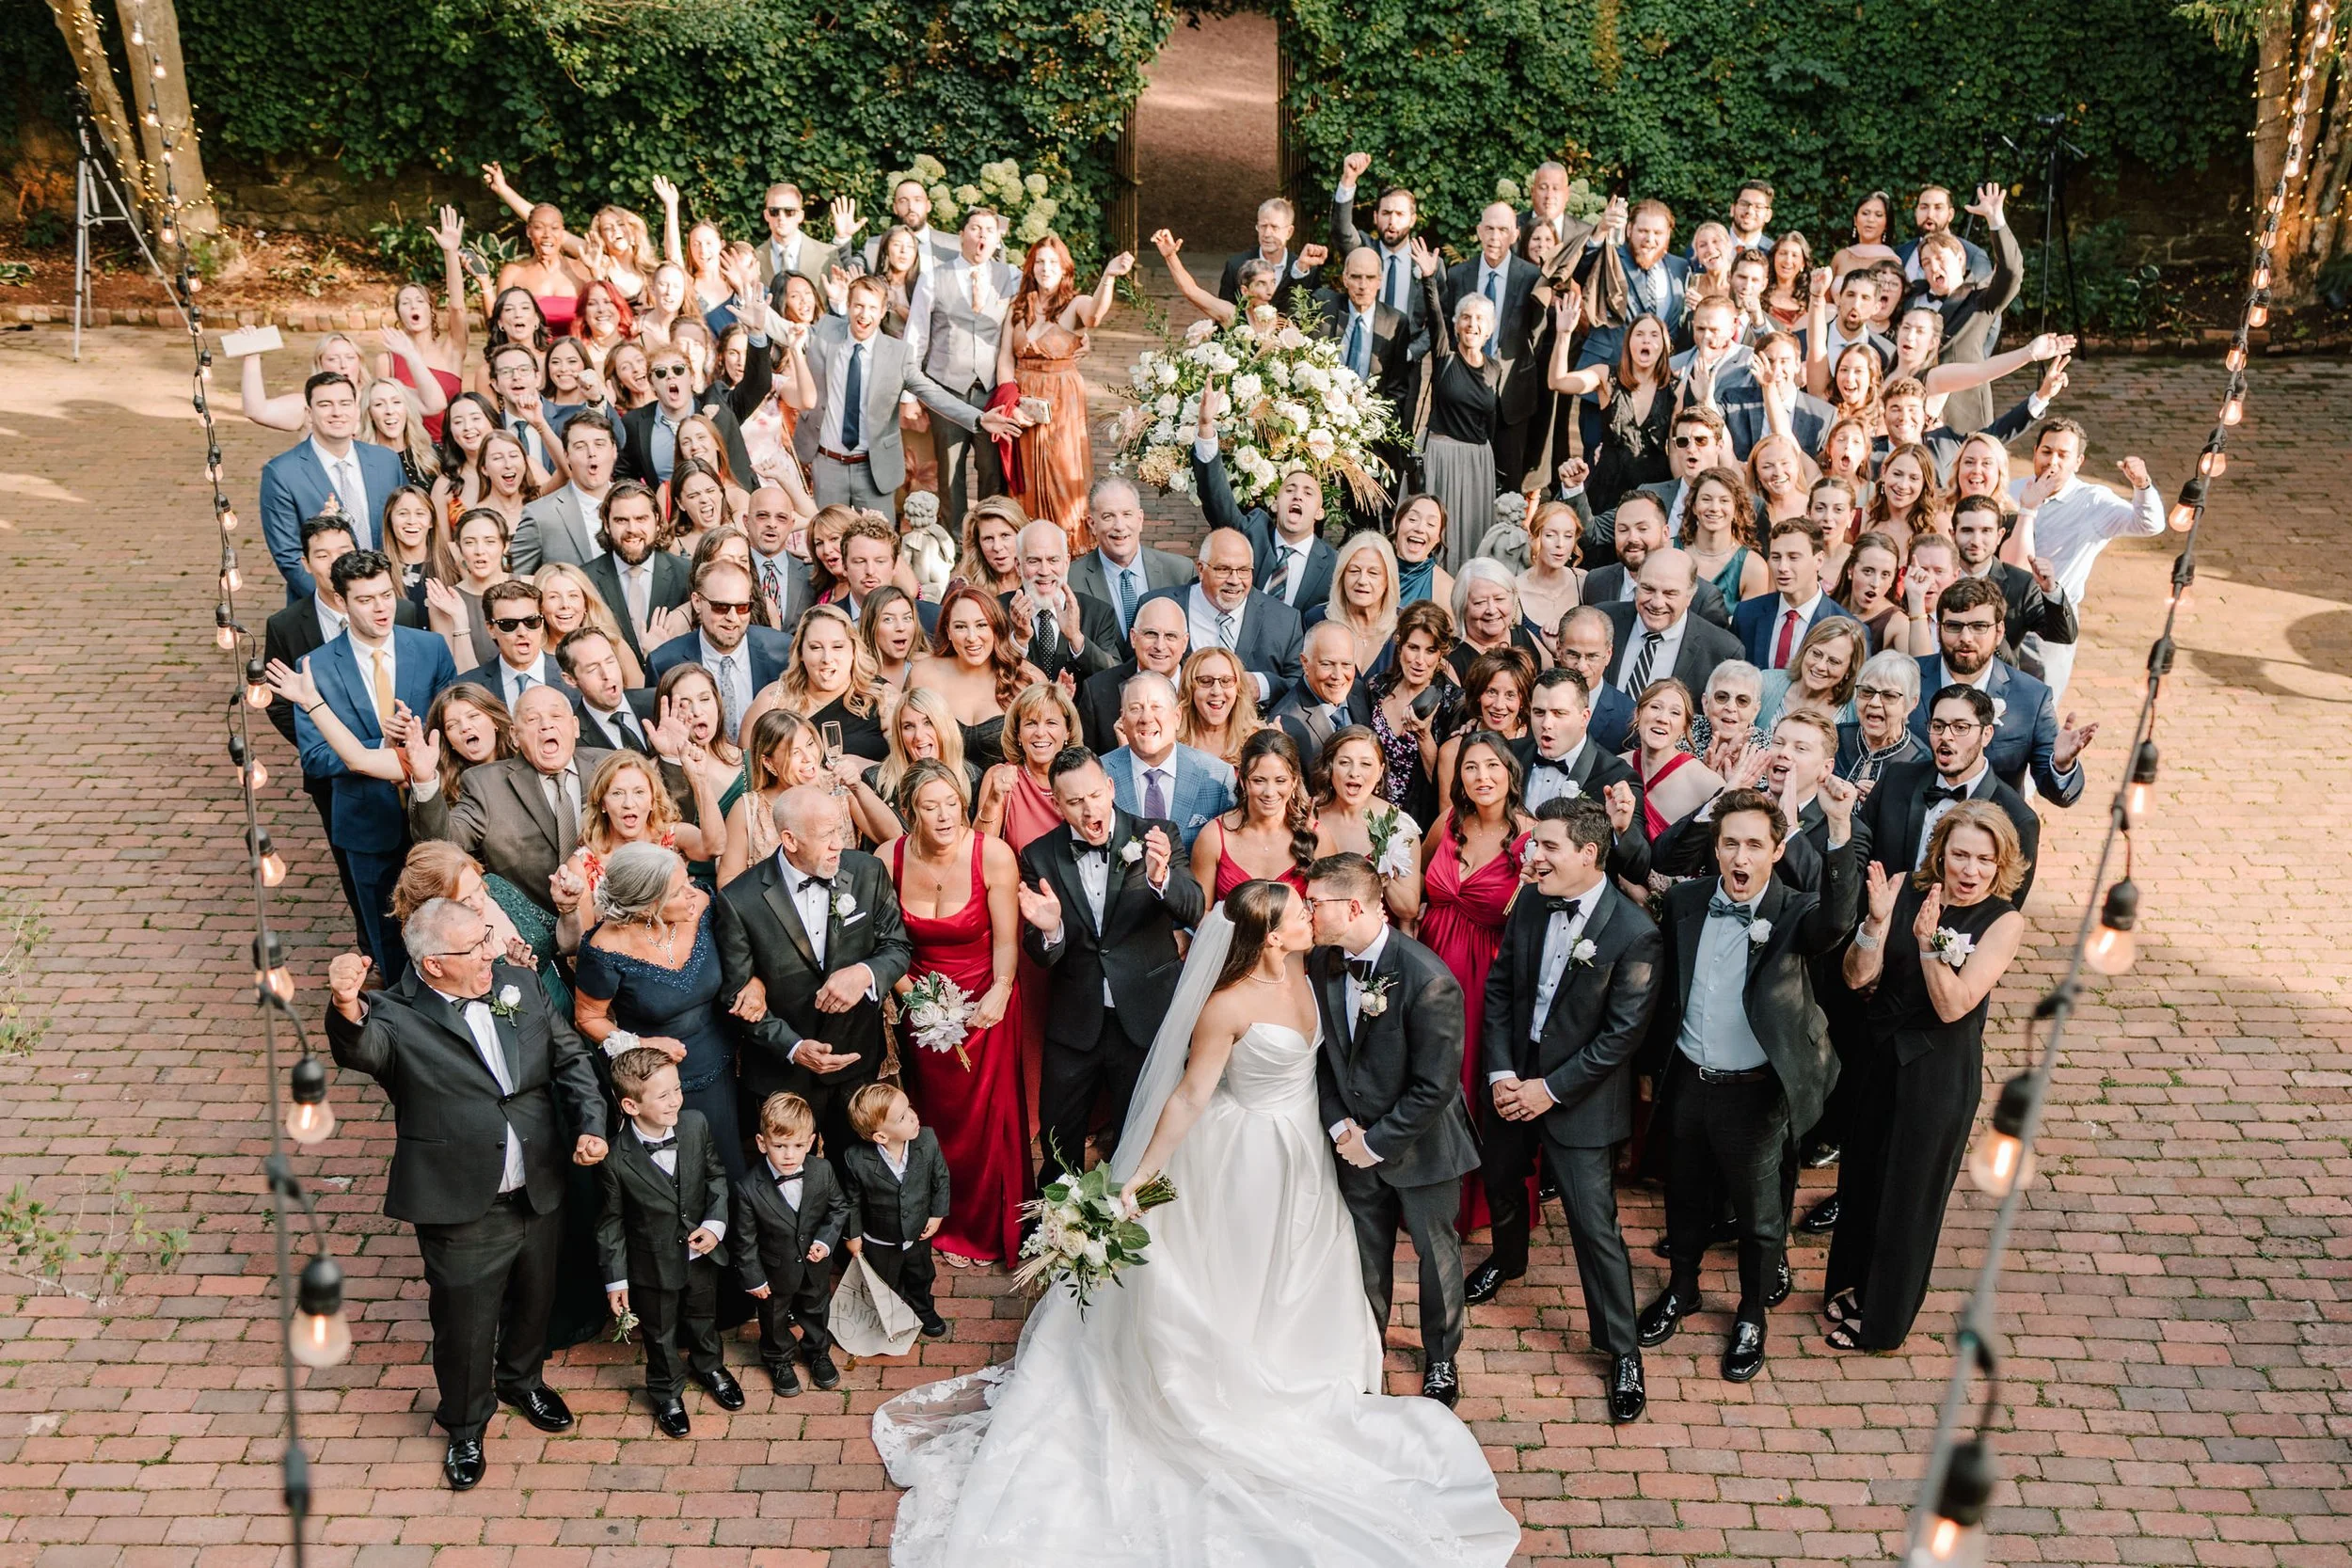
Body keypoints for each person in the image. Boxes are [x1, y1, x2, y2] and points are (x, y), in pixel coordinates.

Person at [873, 880, 1518, 1568]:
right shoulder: (1225, 1005)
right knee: (1235, 1269)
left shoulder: (1315, 968)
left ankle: (1298, 1361)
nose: (1311, 915)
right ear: (1270, 935)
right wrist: (1143, 1172)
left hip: (1307, 1147)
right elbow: (1186, 1096)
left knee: (1303, 1261)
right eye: (1301, 912)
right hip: (1242, 1154)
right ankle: (1233, 1380)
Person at [322, 900, 608, 1491]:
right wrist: (346, 1005)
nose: (489, 953)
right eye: (474, 948)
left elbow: (570, 1057)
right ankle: (465, 1425)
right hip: (459, 1201)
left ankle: (523, 1379)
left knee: (537, 1298)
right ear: (431, 966)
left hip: (540, 1177)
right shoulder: (396, 1017)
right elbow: (361, 1047)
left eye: (485, 939)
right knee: (465, 1323)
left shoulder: (518, 981)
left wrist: (590, 1124)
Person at [1634, 782, 1858, 1384]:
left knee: (1761, 1219)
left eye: (1754, 845)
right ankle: (1682, 1290)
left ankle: (1753, 1314)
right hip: (1689, 1078)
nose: (1740, 858)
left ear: (1777, 850)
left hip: (1756, 1092)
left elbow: (1837, 921)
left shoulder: (1794, 912)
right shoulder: (1688, 903)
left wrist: (1839, 831)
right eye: (1730, 843)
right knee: (1682, 1197)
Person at [1467, 797, 1661, 1425]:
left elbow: (1620, 1037)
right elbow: (1501, 987)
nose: (1533, 855)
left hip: (1579, 1097)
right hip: (1512, 1077)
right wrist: (1502, 1072)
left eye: (1547, 846)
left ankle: (1622, 1349)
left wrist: (1547, 1090)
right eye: (1534, 843)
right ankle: (1508, 1256)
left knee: (1592, 1224)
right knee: (1501, 1176)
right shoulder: (1531, 900)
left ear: (1588, 853)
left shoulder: (1635, 933)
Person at [1825, 803, 2026, 1351]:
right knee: (1865, 1178)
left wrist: (1929, 943)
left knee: (1909, 1198)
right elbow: (1856, 976)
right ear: (1941, 852)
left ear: (2000, 863)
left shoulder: (2004, 922)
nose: (1970, 869)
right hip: (1879, 1058)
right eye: (1960, 854)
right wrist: (1873, 923)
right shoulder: (1908, 891)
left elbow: (1954, 1004)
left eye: (1985, 859)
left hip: (1938, 1073)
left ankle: (1884, 1322)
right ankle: (1859, 1285)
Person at [1304, 852, 1482, 1404]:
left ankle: (1442, 1359)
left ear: (1352, 906)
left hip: (1421, 1146)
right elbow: (1324, 1058)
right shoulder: (1321, 964)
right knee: (1365, 1253)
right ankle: (1365, 1347)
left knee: (1437, 1254)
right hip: (1352, 1142)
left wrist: (1375, 1143)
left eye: (1315, 905)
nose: (1307, 914)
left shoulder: (1429, 980)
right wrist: (1340, 1130)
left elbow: (1435, 1087)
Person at [1014, 746, 1208, 1185]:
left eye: (1094, 796)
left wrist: (1161, 880)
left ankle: (1127, 1241)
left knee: (1138, 1140)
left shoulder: (1159, 834)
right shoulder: (1039, 856)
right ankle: (1057, 1243)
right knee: (1058, 1146)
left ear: (1110, 787)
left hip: (1145, 1018)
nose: (1089, 809)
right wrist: (1049, 931)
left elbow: (1195, 907)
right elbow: (1039, 954)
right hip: (1075, 1022)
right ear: (1057, 805)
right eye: (1075, 802)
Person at [713, 784, 913, 1159]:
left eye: (838, 830)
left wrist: (865, 974)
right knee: (792, 1183)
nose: (839, 843)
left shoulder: (867, 872)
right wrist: (794, 1047)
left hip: (855, 1059)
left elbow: (897, 946)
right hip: (783, 1073)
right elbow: (736, 995)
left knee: (858, 1170)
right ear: (789, 839)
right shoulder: (740, 900)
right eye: (826, 835)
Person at [291, 548, 460, 971]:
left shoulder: (431, 648)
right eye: (366, 600)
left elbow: (454, 727)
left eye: (386, 595)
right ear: (341, 602)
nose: (381, 607)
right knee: (386, 940)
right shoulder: (315, 668)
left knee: (448, 930)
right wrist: (378, 744)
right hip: (367, 825)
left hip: (435, 818)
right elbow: (314, 758)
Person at [889, 759, 1026, 1267]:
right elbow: (884, 945)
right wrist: (917, 1000)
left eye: (952, 803)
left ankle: (984, 1229)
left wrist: (1001, 990)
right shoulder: (889, 859)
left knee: (986, 1122)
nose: (945, 816)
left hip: (986, 1001)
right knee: (935, 1117)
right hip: (921, 1004)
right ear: (909, 812)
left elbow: (1008, 941)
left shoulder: (993, 856)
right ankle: (938, 1217)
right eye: (931, 806)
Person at [596, 1043, 741, 1437]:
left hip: (701, 1253)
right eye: (663, 1096)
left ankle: (709, 1365)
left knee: (703, 1316)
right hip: (652, 1262)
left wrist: (714, 1225)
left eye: (676, 1089)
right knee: (659, 1332)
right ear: (630, 1106)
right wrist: (617, 1280)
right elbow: (611, 1224)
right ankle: (665, 1390)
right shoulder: (614, 1159)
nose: (676, 1100)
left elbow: (715, 1178)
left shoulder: (695, 1125)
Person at [1415, 730, 1529, 1234]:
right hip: (1431, 964)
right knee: (1429, 1075)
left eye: (1492, 767)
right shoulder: (1447, 823)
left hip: (1488, 975)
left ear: (1510, 773)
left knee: (1474, 1076)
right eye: (1470, 768)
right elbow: (1414, 884)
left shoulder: (1529, 836)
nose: (1481, 777)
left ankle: (1476, 1203)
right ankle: (1425, 1187)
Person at [410, 683, 615, 915]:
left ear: (575, 726)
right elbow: (442, 843)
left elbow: (658, 820)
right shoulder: (484, 784)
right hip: (535, 934)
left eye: (556, 715)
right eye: (532, 720)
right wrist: (425, 780)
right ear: (515, 736)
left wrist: (667, 760)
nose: (546, 725)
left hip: (616, 924)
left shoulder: (608, 765)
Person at [2002, 420, 2162, 701]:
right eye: (2047, 451)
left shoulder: (2093, 502)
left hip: (2049, 619)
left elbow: (2149, 524)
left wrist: (2142, 485)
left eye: (2063, 455)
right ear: (2035, 452)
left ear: (2078, 462)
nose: (2053, 461)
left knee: (2040, 703)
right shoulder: (2011, 492)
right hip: (2003, 615)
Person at [997, 235, 1136, 550]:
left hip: (1062, 402)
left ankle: (1069, 550)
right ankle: (1032, 548)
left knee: (1062, 477)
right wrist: (1010, 402)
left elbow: (1095, 315)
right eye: (1040, 262)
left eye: (1053, 263)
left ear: (1065, 269)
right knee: (1027, 478)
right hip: (1024, 406)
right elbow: (1006, 357)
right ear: (1031, 268)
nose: (1046, 268)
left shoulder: (1075, 304)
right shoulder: (1018, 307)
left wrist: (1109, 277)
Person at [1908, 576, 2093, 803]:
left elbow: (2057, 793)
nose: (1965, 638)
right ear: (1939, 630)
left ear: (1999, 632)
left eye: (1979, 627)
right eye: (1954, 626)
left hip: (1995, 827)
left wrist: (2062, 767)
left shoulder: (2031, 698)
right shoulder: (1907, 679)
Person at [1854, 685, 2042, 904]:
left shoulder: (2018, 818)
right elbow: (1857, 852)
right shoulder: (1896, 779)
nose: (1946, 736)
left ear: (1986, 734)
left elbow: (2005, 908)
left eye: (1961, 727)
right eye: (1938, 726)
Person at [733, 1090, 849, 1397]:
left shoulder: (822, 1171)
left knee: (816, 1308)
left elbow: (839, 1209)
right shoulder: (747, 1188)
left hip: (814, 1266)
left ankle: (817, 1352)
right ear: (762, 1143)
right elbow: (744, 1239)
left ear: (810, 1142)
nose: (789, 1154)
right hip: (774, 1270)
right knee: (773, 1317)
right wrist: (753, 1276)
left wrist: (825, 1242)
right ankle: (778, 1359)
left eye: (798, 1146)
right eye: (779, 1146)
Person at [261, 373, 410, 599]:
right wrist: (340, 602)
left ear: (356, 410)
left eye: (345, 403)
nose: (337, 412)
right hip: (325, 604)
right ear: (310, 414)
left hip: (389, 598)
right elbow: (289, 557)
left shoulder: (386, 461)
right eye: (325, 404)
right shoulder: (282, 472)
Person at [1190, 391, 1338, 614]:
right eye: (1290, 489)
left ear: (1319, 512)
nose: (1297, 495)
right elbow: (1217, 500)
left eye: (1308, 493)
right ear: (1276, 504)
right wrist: (1206, 427)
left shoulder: (1334, 564)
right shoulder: (1252, 531)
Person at [1137, 528, 1306, 713]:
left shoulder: (1284, 620)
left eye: (1243, 570)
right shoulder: (1159, 606)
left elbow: (1302, 685)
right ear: (1201, 569)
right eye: (1223, 569)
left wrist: (1263, 685)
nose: (1234, 580)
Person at [1409, 235, 1502, 568]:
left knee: (1471, 535)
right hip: (1441, 455)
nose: (1472, 324)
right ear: (1457, 324)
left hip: (1478, 461)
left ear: (1489, 330)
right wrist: (1429, 277)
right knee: (1435, 532)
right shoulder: (1445, 355)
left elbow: (1492, 424)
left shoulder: (1495, 370)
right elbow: (1434, 315)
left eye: (1479, 320)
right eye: (1466, 317)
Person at [1900, 182, 2021, 434]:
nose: (1934, 267)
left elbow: (2010, 273)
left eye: (1941, 259)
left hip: (1963, 412)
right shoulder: (1912, 298)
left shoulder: (1981, 300)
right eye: (1926, 262)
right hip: (1913, 413)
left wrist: (1996, 221)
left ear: (1960, 260)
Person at [646, 560, 792, 740]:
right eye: (721, 607)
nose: (732, 618)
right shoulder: (664, 663)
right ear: (697, 602)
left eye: (742, 608)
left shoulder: (784, 651)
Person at [1101, 671, 1236, 853]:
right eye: (1135, 708)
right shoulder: (1099, 774)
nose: (1146, 718)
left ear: (1177, 716)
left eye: (1156, 707)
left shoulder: (1218, 776)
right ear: (1123, 719)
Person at [910, 583, 1042, 764]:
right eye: (960, 627)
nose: (972, 637)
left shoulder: (1028, 678)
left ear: (995, 628)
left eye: (981, 625)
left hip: (1007, 788)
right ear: (948, 631)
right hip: (939, 787)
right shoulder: (923, 674)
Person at [1313, 725, 1424, 927]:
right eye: (1345, 763)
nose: (1354, 773)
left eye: (1366, 764)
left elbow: (1408, 909)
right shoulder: (1309, 817)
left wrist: (1383, 874)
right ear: (1330, 766)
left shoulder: (1398, 825)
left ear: (1380, 770)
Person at [1190, 727, 1316, 902]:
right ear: (1243, 781)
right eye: (1259, 780)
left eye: (1280, 781)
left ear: (1294, 782)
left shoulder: (1316, 835)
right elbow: (1201, 914)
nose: (1269, 792)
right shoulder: (1214, 837)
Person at [1069, 477, 1194, 652]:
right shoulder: (1071, 580)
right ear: (1092, 524)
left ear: (1140, 519)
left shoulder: (1181, 572)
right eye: (1108, 516)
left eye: (1127, 514)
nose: (1119, 526)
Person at [1603, 548, 1744, 697]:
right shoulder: (1604, 621)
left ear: (1690, 596)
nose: (1657, 603)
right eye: (1648, 589)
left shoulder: (1722, 651)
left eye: (1670, 593)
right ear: (1636, 584)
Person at [582, 483, 693, 672]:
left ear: (657, 521)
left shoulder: (686, 574)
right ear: (607, 525)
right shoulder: (585, 580)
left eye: (641, 518)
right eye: (621, 520)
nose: (632, 529)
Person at [1365, 598, 1454, 825]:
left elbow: (1448, 787)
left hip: (1418, 824)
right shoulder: (1376, 688)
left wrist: (1424, 737)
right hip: (1368, 816)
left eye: (1430, 650)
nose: (1419, 661)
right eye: (1413, 647)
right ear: (1399, 643)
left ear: (1441, 654)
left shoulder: (1453, 703)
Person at [1004, 520, 1120, 688]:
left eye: (1053, 560)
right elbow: (990, 677)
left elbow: (1114, 675)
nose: (1044, 571)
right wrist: (1019, 641)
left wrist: (1076, 638)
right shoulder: (997, 610)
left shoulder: (1098, 613)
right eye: (1034, 561)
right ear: (1018, 565)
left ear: (1066, 563)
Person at [1735, 519, 1858, 670]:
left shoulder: (1847, 628)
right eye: (1776, 557)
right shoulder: (1746, 614)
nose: (1782, 567)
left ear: (1819, 560)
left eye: (1793, 557)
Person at [1076, 594, 1187, 756]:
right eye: (1151, 634)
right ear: (1133, 638)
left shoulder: (1203, 687)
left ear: (1184, 643)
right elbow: (1085, 763)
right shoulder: (1097, 691)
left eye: (1171, 636)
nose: (1160, 645)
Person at [512, 409, 619, 573]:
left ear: (614, 451)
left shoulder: (639, 502)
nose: (592, 453)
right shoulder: (540, 515)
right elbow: (517, 582)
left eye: (599, 444)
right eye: (580, 446)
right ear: (566, 456)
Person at [1435, 647, 1534, 801]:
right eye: (1491, 692)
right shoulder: (1453, 750)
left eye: (1510, 695)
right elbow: (1448, 818)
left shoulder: (1539, 741)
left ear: (1523, 701)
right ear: (1478, 694)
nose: (1499, 705)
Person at [1627, 679, 1722, 839]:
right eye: (1655, 707)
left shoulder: (1704, 781)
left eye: (1675, 713)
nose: (1663, 719)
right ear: (1638, 714)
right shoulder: (1616, 766)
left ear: (1685, 727)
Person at [1270, 619, 1370, 766]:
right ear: (1305, 663)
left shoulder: (1359, 691)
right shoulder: (1286, 724)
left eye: (1346, 664)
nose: (1338, 676)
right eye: (1327, 664)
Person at [1311, 530, 1402, 678]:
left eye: (1373, 573)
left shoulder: (1406, 627)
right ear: (1341, 575)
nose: (1362, 580)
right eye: (1354, 571)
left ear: (1388, 580)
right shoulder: (1316, 619)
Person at [1756, 615, 1867, 733]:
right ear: (1805, 650)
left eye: (1834, 661)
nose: (1820, 666)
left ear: (1850, 670)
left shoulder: (1854, 711)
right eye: (1816, 654)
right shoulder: (1765, 684)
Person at [1836, 649, 1929, 785]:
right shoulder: (1834, 739)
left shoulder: (1921, 764)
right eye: (1867, 691)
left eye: (1889, 695)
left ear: (1910, 704)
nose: (1874, 703)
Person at [1554, 605, 1637, 754]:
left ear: (1609, 654)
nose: (1581, 666)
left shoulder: (1628, 716)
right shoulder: (1532, 696)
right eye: (1573, 655)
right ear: (1559, 650)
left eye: (1592, 656)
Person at [1390, 493, 1456, 610]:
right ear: (1396, 523)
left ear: (1438, 538)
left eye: (1431, 524)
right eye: (1413, 519)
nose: (1420, 529)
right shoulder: (1373, 569)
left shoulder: (1446, 588)